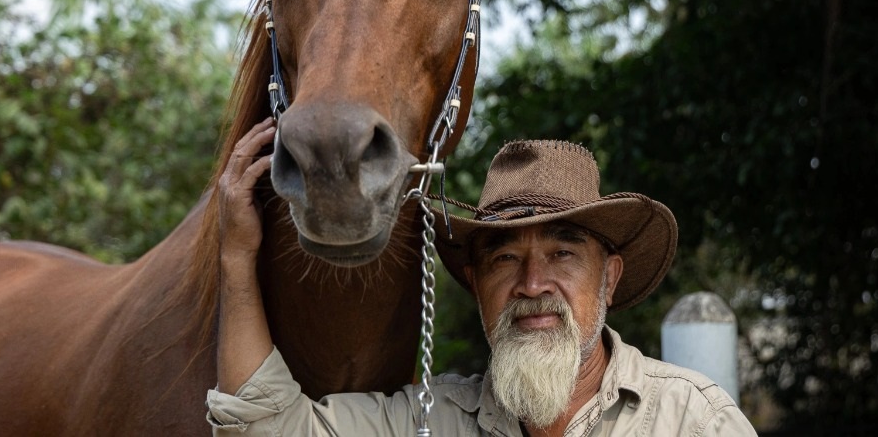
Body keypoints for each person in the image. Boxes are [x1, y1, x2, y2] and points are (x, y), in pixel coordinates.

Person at [207, 119, 757, 436]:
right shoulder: (432, 420)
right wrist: (235, 258)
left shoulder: (692, 420)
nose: (533, 284)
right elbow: (265, 428)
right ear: (475, 283)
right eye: (505, 259)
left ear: (608, 278)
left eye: (563, 253)